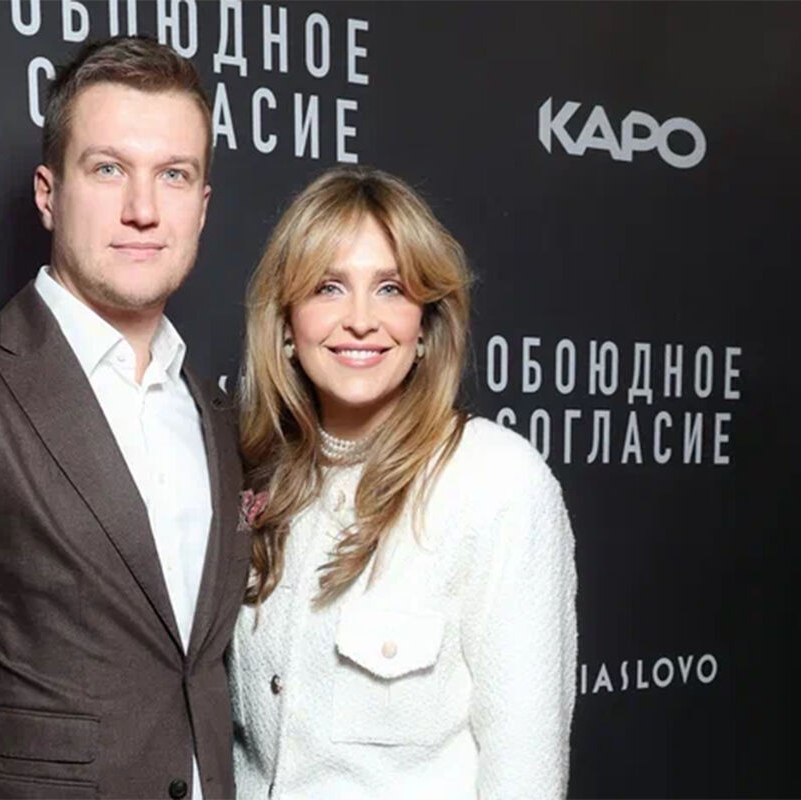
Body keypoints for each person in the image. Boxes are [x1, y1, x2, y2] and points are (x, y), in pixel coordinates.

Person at [0, 36, 248, 799]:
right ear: (48, 193)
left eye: (173, 175)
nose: (142, 210)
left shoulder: (215, 412)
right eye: (108, 169)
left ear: (201, 207)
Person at [229, 166, 577, 798]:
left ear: (425, 326)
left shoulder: (496, 481)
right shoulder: (252, 474)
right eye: (329, 287)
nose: (361, 320)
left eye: (390, 288)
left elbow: (525, 769)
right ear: (286, 324)